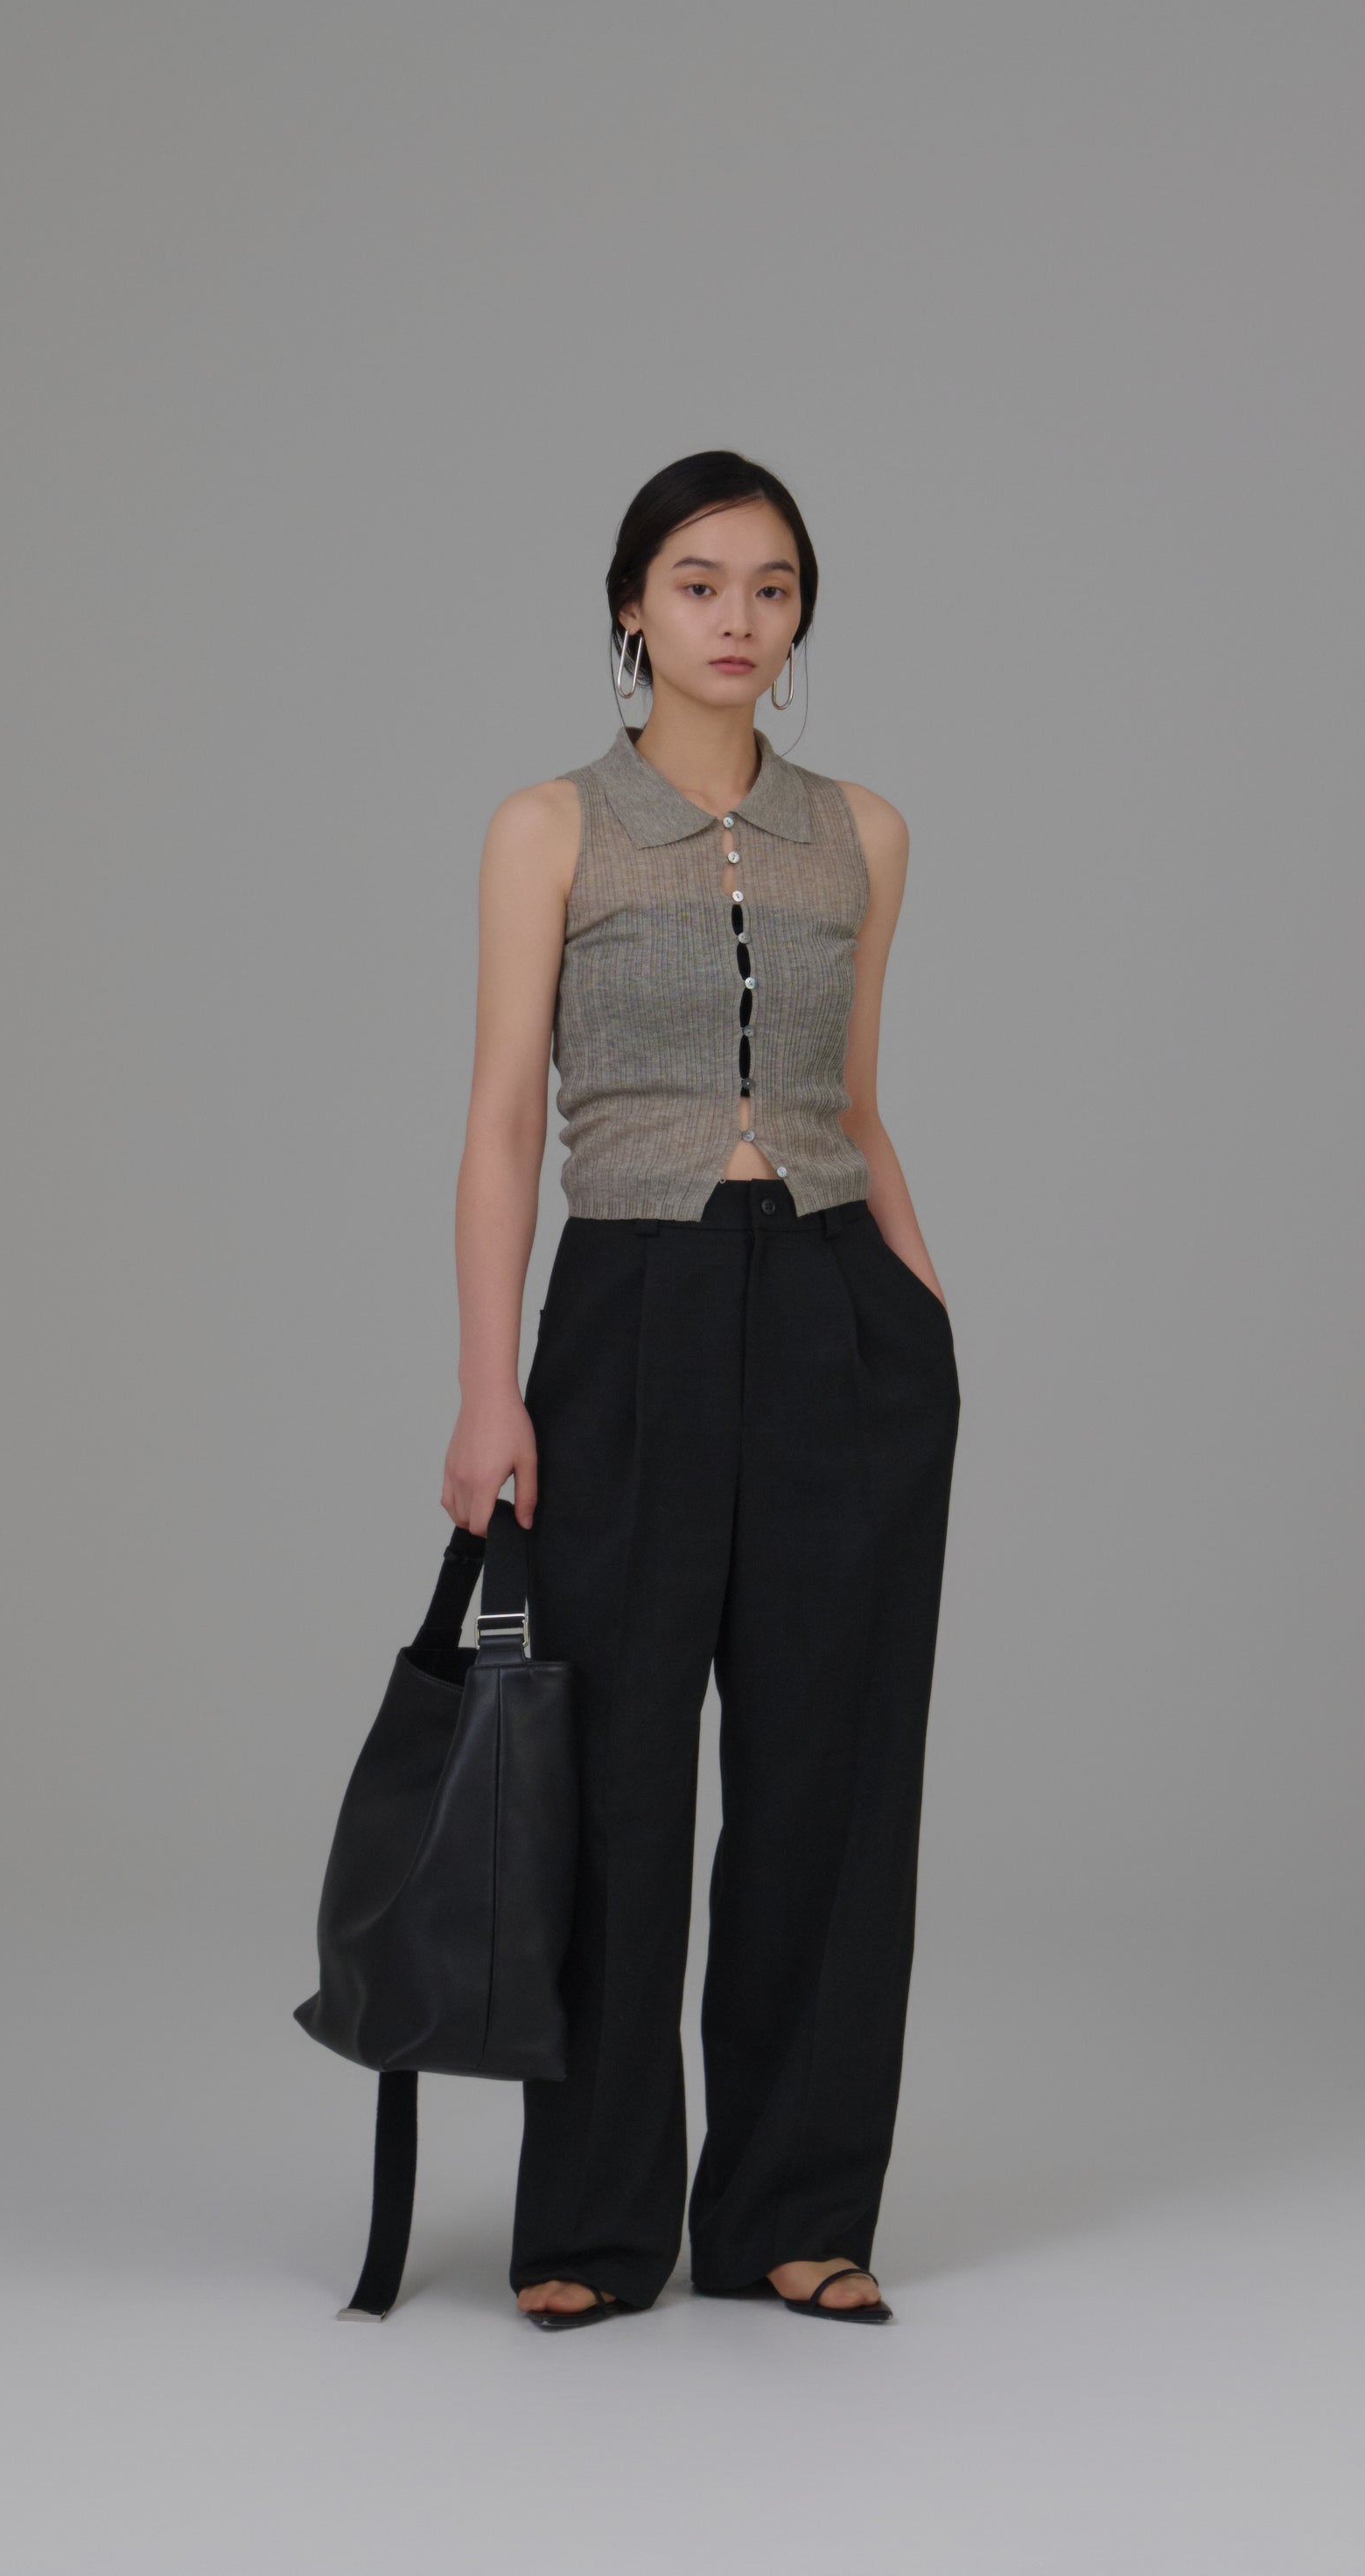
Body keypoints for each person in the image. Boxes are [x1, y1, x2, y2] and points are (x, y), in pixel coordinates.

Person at [442, 449, 960, 2328]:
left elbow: (859, 1107)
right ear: (630, 607)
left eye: (772, 587)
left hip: (835, 1313)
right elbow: (506, 1124)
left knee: (831, 1779)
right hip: (630, 1312)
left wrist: (922, 1328)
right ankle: (592, 2225)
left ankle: (795, 2214)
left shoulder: (863, 834)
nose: (737, 620)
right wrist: (490, 1389)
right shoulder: (547, 828)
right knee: (613, 1775)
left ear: (801, 616)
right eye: (697, 582)